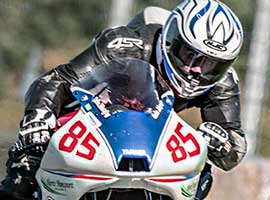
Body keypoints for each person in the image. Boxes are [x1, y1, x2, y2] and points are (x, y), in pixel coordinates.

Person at [0, 0, 247, 199]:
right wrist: (36, 128)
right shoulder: (125, 43)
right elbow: (56, 80)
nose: (196, 70)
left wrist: (220, 142)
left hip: (157, 133)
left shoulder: (222, 82)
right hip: (96, 116)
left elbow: (234, 147)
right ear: (171, 39)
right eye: (190, 55)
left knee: (202, 175)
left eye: (212, 64)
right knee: (25, 169)